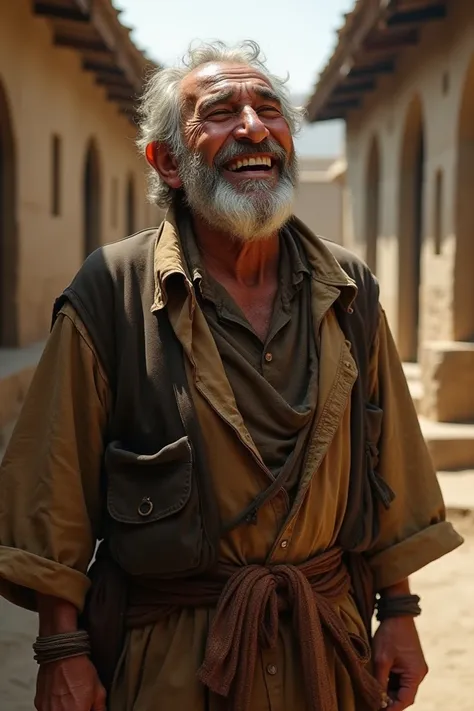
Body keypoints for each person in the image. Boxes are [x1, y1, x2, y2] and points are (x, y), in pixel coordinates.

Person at [0, 40, 463, 711]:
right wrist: (60, 651)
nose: (253, 126)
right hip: (169, 662)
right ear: (168, 162)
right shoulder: (113, 291)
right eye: (219, 112)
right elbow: (53, 487)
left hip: (323, 650)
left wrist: (401, 611)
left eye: (269, 109)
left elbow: (390, 465)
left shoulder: (347, 289)